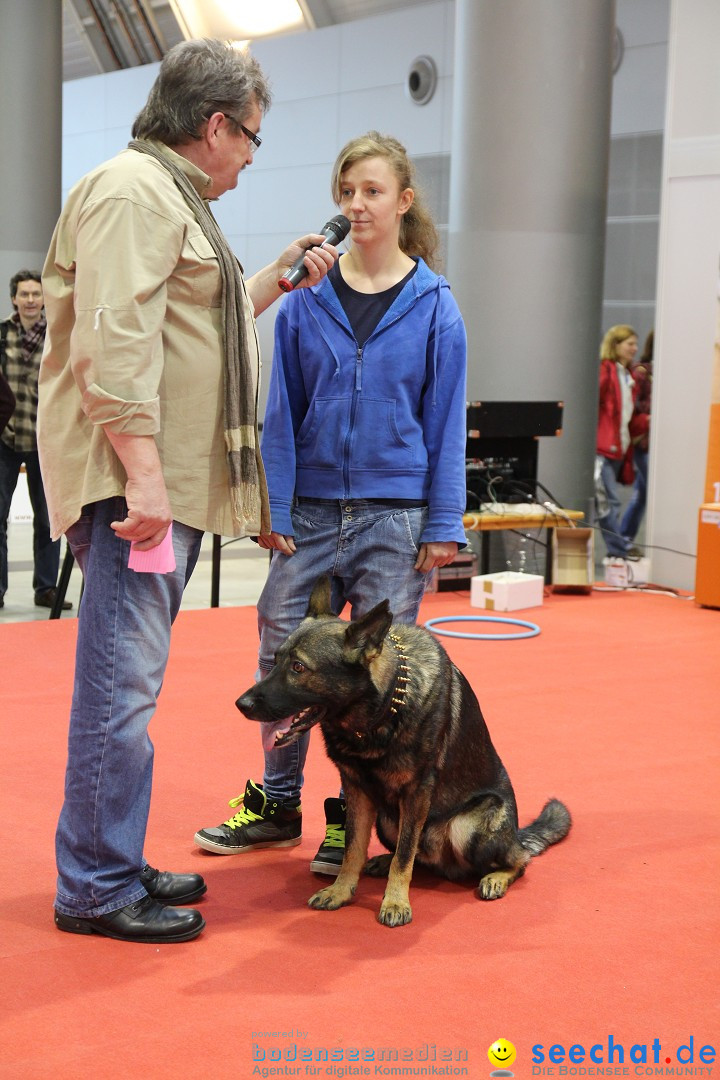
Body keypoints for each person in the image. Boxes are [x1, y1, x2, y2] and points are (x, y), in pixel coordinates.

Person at [38, 39, 336, 944]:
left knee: (130, 687)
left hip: (151, 481)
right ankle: (93, 883)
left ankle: (112, 859)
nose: (250, 155)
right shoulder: (136, 192)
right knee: (118, 694)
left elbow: (187, 327)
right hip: (139, 488)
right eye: (249, 136)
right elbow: (115, 341)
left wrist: (275, 280)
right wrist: (148, 478)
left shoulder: (165, 194)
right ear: (214, 126)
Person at [194, 131, 468, 875]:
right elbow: (279, 413)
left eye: (372, 192)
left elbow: (447, 424)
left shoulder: (437, 308)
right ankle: (278, 804)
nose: (357, 205)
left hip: (393, 519)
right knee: (282, 653)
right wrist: (272, 506)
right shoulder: (302, 302)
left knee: (377, 682)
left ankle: (353, 819)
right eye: (347, 192)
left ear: (404, 202)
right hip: (309, 514)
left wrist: (443, 523)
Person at [0, 272, 71, 611]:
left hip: (46, 442)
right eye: (24, 294)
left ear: (44, 299)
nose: (30, 299)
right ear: (13, 298)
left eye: (35, 294)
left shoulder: (58, 336)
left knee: (48, 520)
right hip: (5, 439)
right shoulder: (1, 334)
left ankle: (46, 588)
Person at [595, 324, 641, 560]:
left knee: (609, 502)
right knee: (608, 502)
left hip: (618, 448)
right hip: (603, 449)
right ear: (616, 345)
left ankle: (618, 550)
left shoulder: (627, 374)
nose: (635, 348)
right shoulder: (605, 371)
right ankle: (618, 550)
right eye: (629, 343)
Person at [620, 329, 653, 543]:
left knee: (642, 494)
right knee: (647, 492)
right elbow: (632, 407)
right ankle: (624, 539)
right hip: (645, 443)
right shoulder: (641, 372)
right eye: (629, 343)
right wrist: (651, 417)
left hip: (654, 442)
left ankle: (624, 538)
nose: (634, 348)